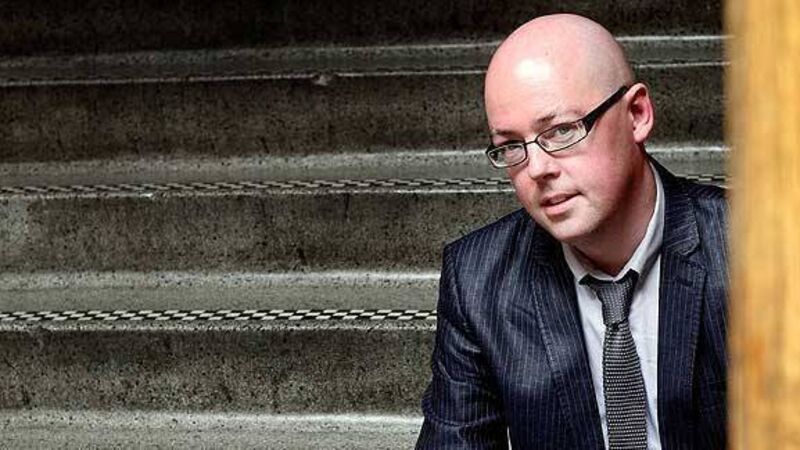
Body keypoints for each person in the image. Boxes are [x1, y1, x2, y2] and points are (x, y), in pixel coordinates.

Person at [416, 14, 727, 450]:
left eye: (561, 130)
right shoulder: (478, 280)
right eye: (511, 145)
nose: (537, 169)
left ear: (637, 114)